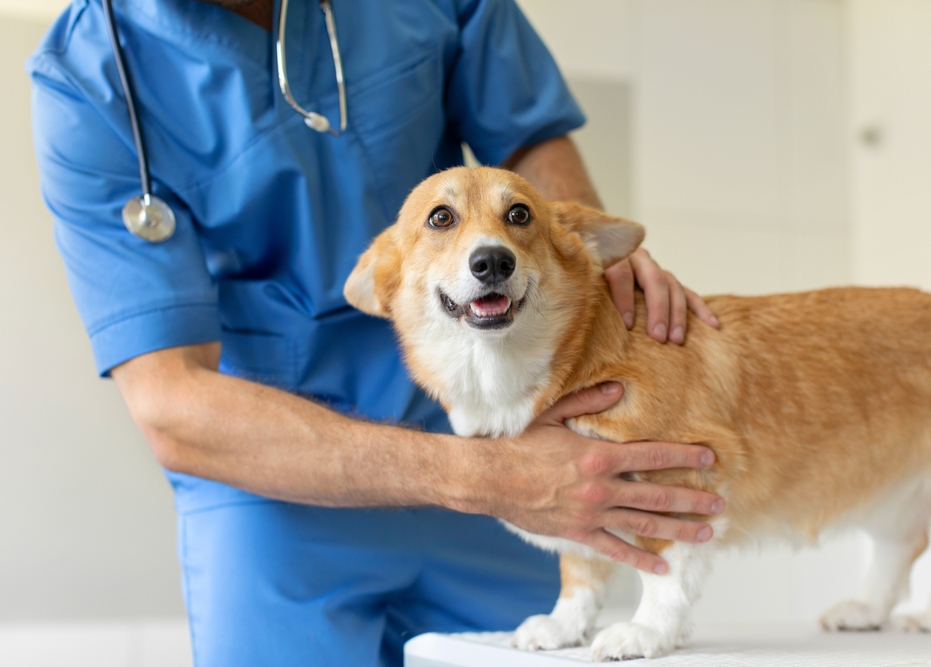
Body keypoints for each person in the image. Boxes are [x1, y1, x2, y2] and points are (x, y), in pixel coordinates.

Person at [28, 0, 724, 665]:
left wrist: (584, 252)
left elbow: (525, 131)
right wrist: (484, 476)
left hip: (506, 430)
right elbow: (171, 403)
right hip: (280, 485)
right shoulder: (87, 78)